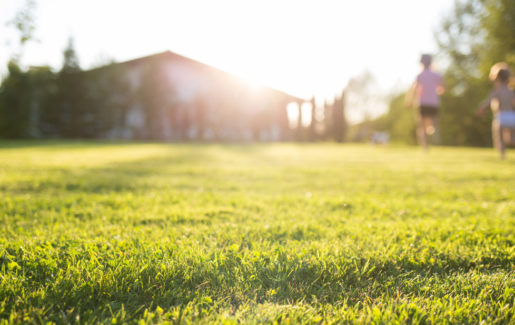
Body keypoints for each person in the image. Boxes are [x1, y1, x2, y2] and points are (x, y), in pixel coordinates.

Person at [406, 54, 445, 149]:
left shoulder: (420, 75)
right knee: (434, 122)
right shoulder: (436, 75)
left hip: (422, 102)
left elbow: (414, 89)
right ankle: (432, 130)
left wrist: (409, 101)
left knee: (421, 126)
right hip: (433, 102)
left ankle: (425, 146)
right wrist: (437, 90)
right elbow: (442, 88)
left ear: (421, 63)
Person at [477, 62, 515, 159]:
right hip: (512, 116)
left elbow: (489, 101)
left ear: (495, 77)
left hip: (501, 116)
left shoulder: (496, 90)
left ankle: (502, 155)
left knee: (500, 138)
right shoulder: (510, 91)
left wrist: (482, 108)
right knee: (511, 139)